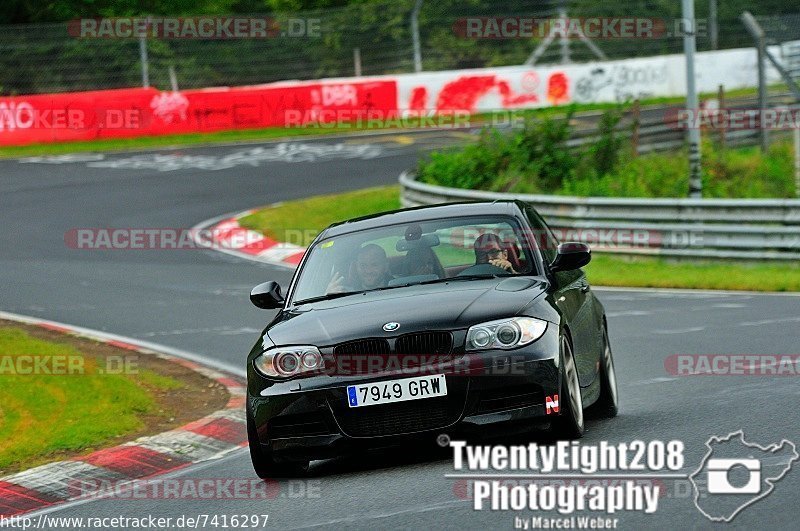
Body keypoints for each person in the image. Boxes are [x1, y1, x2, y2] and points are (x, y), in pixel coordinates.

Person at [327, 243, 393, 293]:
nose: (368, 271)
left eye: (374, 265)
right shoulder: (345, 292)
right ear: (356, 267)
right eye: (363, 265)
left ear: (386, 266)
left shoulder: (398, 289)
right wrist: (328, 297)